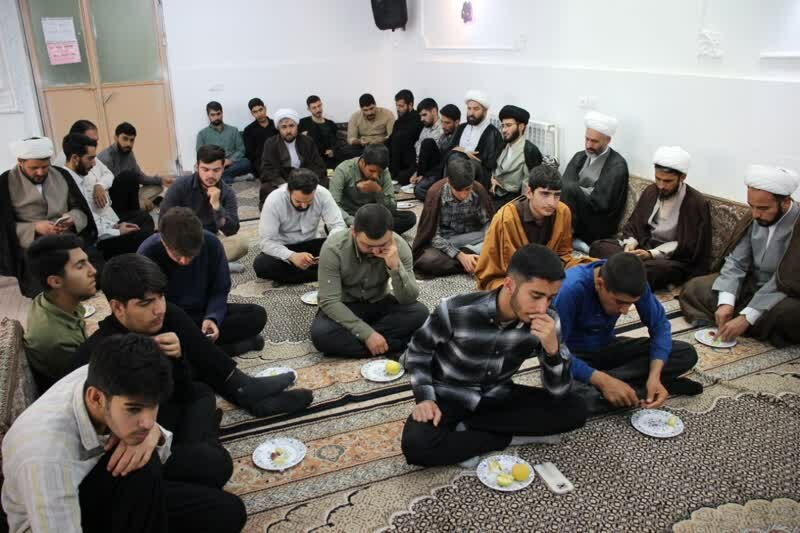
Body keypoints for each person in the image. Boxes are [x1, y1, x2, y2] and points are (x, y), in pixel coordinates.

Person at [2, 333, 247, 533]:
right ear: (96, 399)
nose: (148, 422)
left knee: (227, 504)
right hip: (69, 512)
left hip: (111, 481)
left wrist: (151, 436)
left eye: (153, 406)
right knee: (146, 467)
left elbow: (160, 439)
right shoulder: (47, 458)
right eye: (134, 409)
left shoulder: (107, 375)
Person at [401, 244, 587, 467]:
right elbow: (418, 350)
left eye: (550, 298)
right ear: (509, 284)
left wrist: (553, 352)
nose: (542, 307)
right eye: (536, 296)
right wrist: (425, 398)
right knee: (416, 446)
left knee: (576, 410)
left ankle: (465, 432)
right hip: (449, 395)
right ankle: (502, 436)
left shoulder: (548, 320)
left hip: (497, 396)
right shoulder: (455, 310)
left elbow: (558, 391)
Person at [71, 253, 313, 418]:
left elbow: (219, 288)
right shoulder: (106, 353)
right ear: (117, 307)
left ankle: (244, 389)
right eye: (145, 303)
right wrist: (177, 361)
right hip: (160, 418)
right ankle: (243, 388)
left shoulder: (165, 312)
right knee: (203, 399)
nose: (158, 309)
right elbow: (170, 400)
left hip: (194, 346)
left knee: (186, 323)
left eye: (160, 297)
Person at [554, 253, 701, 415]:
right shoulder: (569, 289)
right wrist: (603, 381)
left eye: (630, 304)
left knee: (685, 353)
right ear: (599, 284)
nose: (625, 311)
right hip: (574, 356)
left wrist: (654, 376)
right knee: (566, 397)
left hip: (607, 348)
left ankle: (625, 388)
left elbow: (659, 325)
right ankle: (640, 388)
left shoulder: (635, 283)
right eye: (619, 302)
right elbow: (554, 352)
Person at [680, 165, 800, 346]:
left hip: (784, 293)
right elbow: (737, 261)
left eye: (763, 208)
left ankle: (745, 323)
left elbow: (788, 280)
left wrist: (747, 316)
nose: (755, 214)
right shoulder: (754, 217)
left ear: (785, 202)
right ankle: (745, 323)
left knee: (788, 316)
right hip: (751, 285)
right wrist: (726, 302)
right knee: (695, 287)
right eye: (751, 206)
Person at [138, 207, 267, 356]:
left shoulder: (211, 243)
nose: (184, 261)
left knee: (256, 315)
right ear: (164, 242)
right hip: (170, 318)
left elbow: (220, 288)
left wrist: (213, 317)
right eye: (178, 256)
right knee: (151, 345)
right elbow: (147, 305)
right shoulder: (147, 253)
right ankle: (230, 349)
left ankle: (195, 351)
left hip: (203, 312)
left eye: (191, 255)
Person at [310, 204, 429, 358]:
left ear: (391, 233)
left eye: (382, 245)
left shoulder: (399, 246)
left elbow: (408, 299)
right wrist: (367, 334)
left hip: (379, 301)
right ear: (353, 232)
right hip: (346, 305)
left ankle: (369, 345)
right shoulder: (333, 248)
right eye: (368, 245)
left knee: (420, 313)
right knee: (321, 335)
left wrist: (395, 268)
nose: (375, 251)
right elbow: (329, 301)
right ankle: (395, 344)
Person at [590, 146, 711, 289]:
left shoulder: (695, 203)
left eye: (668, 181)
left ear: (682, 177)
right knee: (598, 246)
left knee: (649, 271)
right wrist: (631, 244)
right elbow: (634, 225)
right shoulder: (651, 191)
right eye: (658, 179)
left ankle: (619, 273)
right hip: (642, 247)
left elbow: (688, 247)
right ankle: (624, 272)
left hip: (670, 258)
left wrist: (651, 254)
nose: (661, 186)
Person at [0, 136, 98, 296]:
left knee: (96, 274)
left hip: (67, 241)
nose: (40, 172)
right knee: (48, 290)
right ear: (20, 162)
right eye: (34, 168)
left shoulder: (61, 175)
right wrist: (35, 228)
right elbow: (4, 228)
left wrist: (71, 218)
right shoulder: (5, 182)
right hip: (33, 249)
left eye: (45, 167)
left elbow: (80, 210)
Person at [475, 165, 588, 290]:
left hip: (550, 271)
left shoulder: (563, 211)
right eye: (545, 194)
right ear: (529, 193)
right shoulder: (506, 218)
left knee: (592, 271)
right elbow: (498, 268)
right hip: (515, 278)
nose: (552, 203)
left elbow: (563, 254)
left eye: (556, 195)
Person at [62, 133, 154, 259]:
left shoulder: (80, 176)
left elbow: (95, 217)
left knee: (145, 222)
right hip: (96, 241)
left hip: (106, 224)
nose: (94, 164)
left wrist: (115, 226)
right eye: (90, 158)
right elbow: (89, 225)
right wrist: (116, 231)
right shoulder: (68, 183)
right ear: (75, 158)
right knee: (144, 237)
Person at [23, 235, 98, 391]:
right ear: (55, 281)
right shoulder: (56, 341)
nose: (93, 271)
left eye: (87, 262)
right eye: (80, 266)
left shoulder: (50, 300)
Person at [159, 144, 249, 268]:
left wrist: (216, 206)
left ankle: (204, 263)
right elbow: (163, 222)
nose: (210, 175)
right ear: (197, 167)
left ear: (223, 168)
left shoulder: (227, 192)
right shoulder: (180, 186)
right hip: (181, 240)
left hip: (208, 241)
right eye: (205, 169)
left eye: (216, 170)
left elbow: (232, 230)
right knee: (158, 248)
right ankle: (215, 263)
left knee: (241, 243)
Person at [253, 169, 346, 284]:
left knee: (348, 248)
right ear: (289, 191)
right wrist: (292, 256)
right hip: (285, 247)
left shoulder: (322, 194)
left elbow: (338, 225)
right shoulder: (274, 200)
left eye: (309, 201)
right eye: (298, 201)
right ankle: (327, 272)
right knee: (262, 264)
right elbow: (266, 242)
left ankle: (294, 276)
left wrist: (329, 248)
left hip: (313, 244)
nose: (304, 206)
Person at [559, 111, 629, 252]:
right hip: (576, 212)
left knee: (569, 189)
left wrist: (576, 191)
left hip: (599, 222)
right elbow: (564, 185)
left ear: (608, 140)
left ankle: (570, 237)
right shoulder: (580, 156)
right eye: (587, 139)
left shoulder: (617, 165)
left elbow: (602, 203)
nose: (588, 145)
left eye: (594, 141)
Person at [412, 158, 493, 277]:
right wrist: (459, 255)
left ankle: (471, 260)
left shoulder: (478, 190)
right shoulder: (435, 193)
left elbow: (488, 223)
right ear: (449, 182)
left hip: (473, 238)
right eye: (458, 190)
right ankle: (475, 261)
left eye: (467, 189)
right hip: (447, 240)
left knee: (501, 245)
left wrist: (488, 241)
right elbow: (433, 235)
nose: (463, 195)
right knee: (427, 261)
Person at [329, 144, 417, 235]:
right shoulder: (343, 170)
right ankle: (374, 233)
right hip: (350, 215)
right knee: (335, 222)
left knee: (409, 218)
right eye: (372, 171)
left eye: (379, 172)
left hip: (372, 216)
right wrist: (353, 222)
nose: (375, 176)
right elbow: (333, 205)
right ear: (362, 163)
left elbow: (392, 207)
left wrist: (378, 191)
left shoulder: (384, 171)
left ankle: (367, 232)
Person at [97, 121, 174, 216]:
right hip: (113, 199)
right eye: (125, 139)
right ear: (116, 138)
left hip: (130, 193)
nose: (128, 144)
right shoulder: (107, 158)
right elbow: (109, 190)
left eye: (132, 140)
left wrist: (161, 180)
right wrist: (138, 200)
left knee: (157, 187)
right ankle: (142, 206)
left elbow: (140, 177)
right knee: (140, 205)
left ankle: (144, 205)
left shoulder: (129, 153)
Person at [258, 108, 327, 207]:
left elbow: (318, 165)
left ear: (297, 126)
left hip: (305, 178)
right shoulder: (271, 143)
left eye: (291, 126)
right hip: (283, 179)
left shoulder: (307, 141)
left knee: (325, 183)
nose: (288, 131)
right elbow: (267, 169)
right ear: (278, 128)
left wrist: (307, 181)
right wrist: (282, 184)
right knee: (266, 189)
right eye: (284, 127)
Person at [490, 105, 543, 208]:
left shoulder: (529, 151)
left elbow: (528, 187)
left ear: (521, 126)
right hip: (493, 192)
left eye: (508, 125)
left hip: (512, 200)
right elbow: (493, 167)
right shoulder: (503, 144)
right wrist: (492, 178)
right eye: (503, 126)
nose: (504, 130)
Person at [448, 90, 503, 190]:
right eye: (469, 108)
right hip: (455, 168)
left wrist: (463, 154)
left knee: (458, 159)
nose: (471, 113)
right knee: (454, 158)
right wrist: (465, 152)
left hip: (478, 176)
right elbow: (450, 148)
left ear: (485, 111)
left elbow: (489, 163)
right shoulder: (461, 127)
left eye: (476, 109)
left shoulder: (492, 133)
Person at [412, 103, 461, 201]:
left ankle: (445, 197)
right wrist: (421, 174)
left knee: (421, 190)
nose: (443, 126)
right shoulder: (444, 136)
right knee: (428, 143)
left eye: (447, 123)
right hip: (438, 170)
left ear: (456, 122)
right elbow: (437, 160)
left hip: (448, 175)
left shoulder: (461, 135)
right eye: (442, 122)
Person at [195, 101, 251, 183]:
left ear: (222, 113)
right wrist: (216, 163)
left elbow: (241, 150)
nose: (216, 117)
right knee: (202, 169)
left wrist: (230, 160)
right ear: (208, 116)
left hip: (231, 164)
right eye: (213, 115)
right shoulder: (202, 134)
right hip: (213, 166)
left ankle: (220, 178)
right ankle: (233, 179)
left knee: (246, 163)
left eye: (218, 114)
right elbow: (200, 154)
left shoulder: (233, 130)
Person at [339, 93, 395, 160]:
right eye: (365, 110)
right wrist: (359, 141)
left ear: (375, 104)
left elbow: (392, 135)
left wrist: (382, 140)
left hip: (382, 145)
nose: (369, 113)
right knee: (342, 152)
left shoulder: (387, 114)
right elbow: (351, 139)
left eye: (371, 108)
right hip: (363, 147)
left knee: (393, 149)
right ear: (361, 109)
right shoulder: (355, 117)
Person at [386, 89, 423, 185]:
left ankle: (393, 175)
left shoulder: (418, 119)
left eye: (401, 106)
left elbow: (407, 140)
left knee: (398, 139)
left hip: (409, 162)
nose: (398, 109)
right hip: (396, 161)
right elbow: (390, 140)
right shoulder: (398, 122)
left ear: (410, 105)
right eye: (397, 106)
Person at [299, 95, 340, 169]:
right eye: (314, 108)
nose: (318, 109)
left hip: (329, 158)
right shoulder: (303, 123)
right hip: (312, 159)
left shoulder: (331, 124)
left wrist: (333, 151)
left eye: (319, 106)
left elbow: (336, 142)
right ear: (309, 109)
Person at [242, 97, 278, 171]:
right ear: (252, 113)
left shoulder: (276, 125)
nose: (259, 114)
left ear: (265, 108)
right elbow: (250, 154)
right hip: (261, 163)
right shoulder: (248, 130)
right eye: (255, 112)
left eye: (261, 110)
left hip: (279, 158)